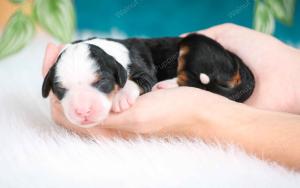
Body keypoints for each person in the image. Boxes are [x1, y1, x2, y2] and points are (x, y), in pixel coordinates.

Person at [42, 23, 300, 170]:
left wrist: (132, 89)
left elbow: (145, 78)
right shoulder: (104, 60)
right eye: (62, 90)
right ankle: (194, 84)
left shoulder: (127, 58)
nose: (80, 107)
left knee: (195, 46)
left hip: (213, 62)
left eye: (100, 85)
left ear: (118, 73)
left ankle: (187, 81)